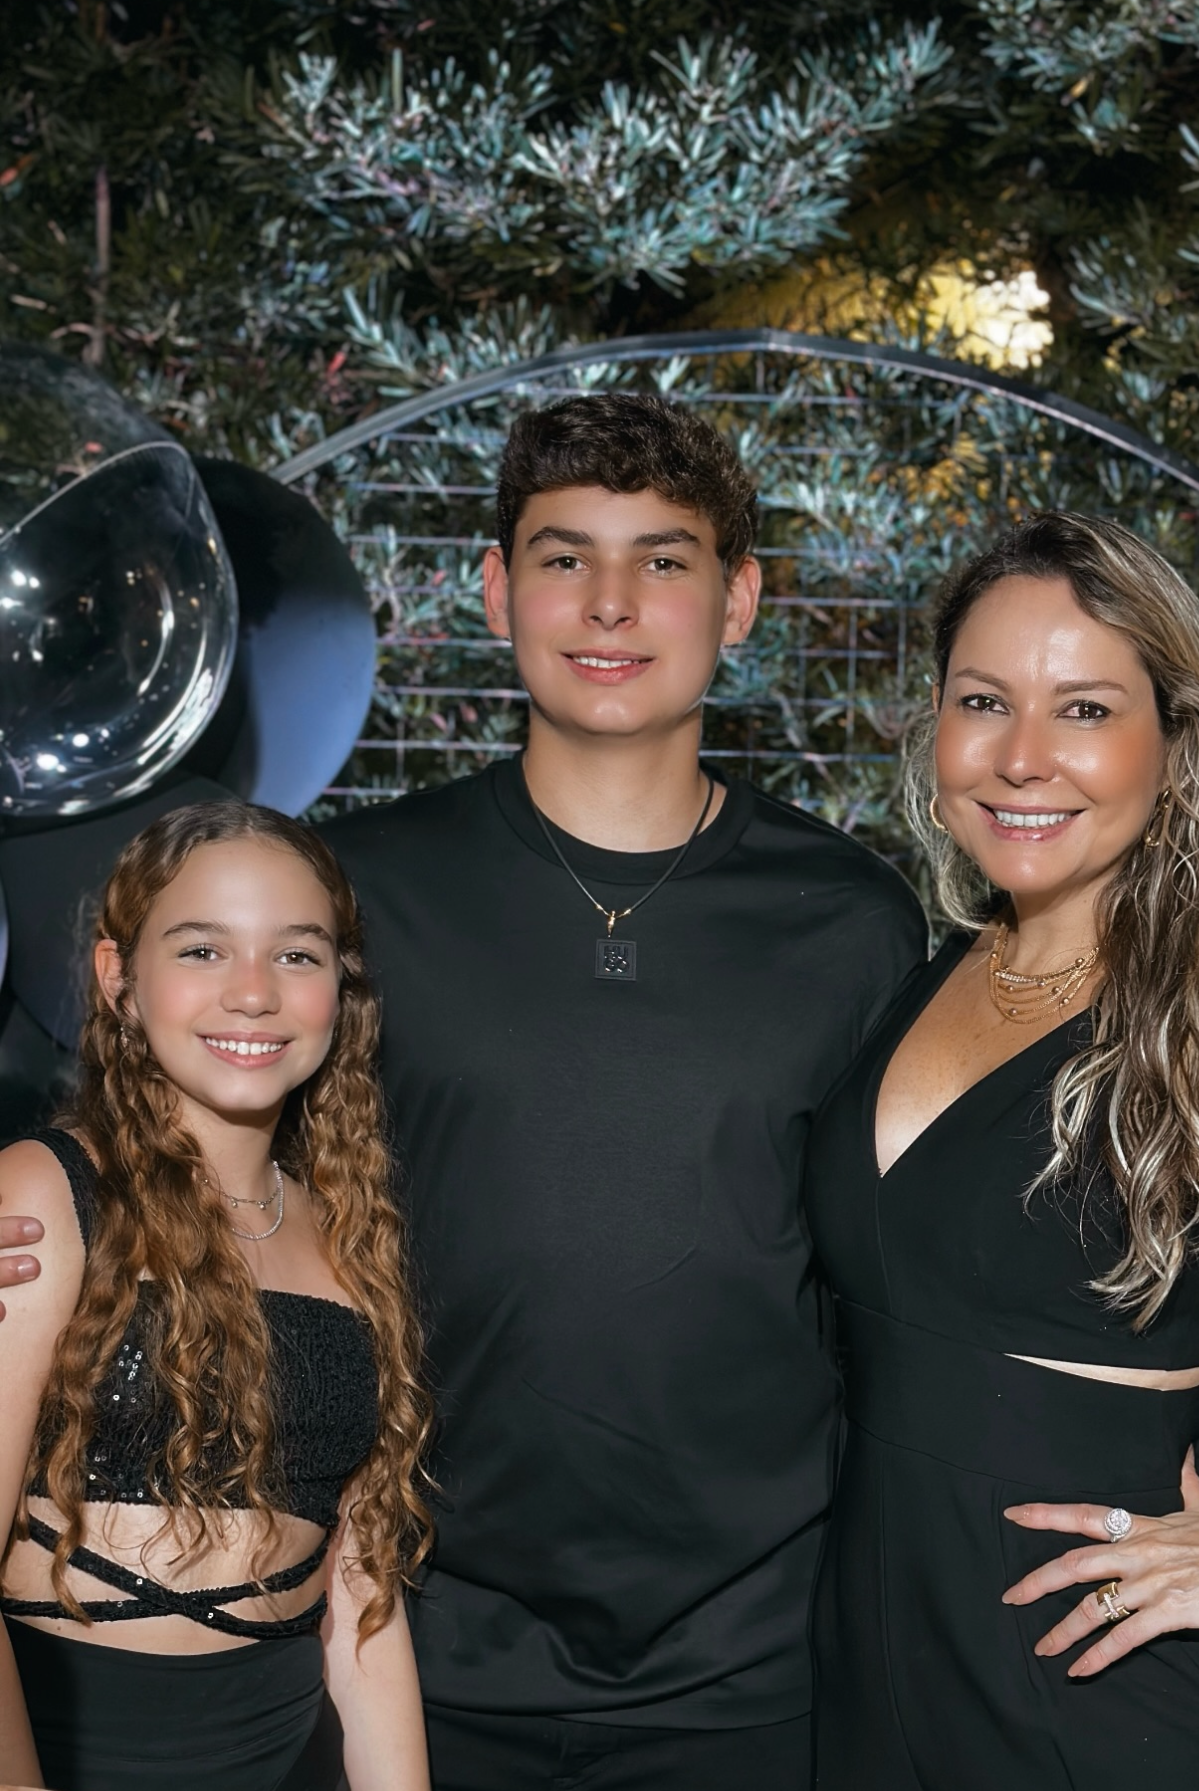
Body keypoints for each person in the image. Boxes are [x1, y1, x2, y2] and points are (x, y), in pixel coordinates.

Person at [314, 395, 926, 1789]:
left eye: (662, 559)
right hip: (412, 1634)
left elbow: (914, 1271)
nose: (609, 602)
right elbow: (216, 1166)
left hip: (754, 1658)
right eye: (563, 556)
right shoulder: (358, 893)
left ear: (739, 600)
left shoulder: (852, 921)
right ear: (496, 591)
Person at [803, 510, 1199, 1790]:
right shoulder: (932, 976)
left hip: (1109, 1689)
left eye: (1083, 710)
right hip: (873, 1658)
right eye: (983, 702)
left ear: (1175, 741)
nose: (1022, 758)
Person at [0, 801, 434, 1791]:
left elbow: (360, 1589)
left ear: (342, 988)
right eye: (202, 949)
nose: (252, 993)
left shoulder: (346, 1233)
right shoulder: (42, 1198)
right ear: (119, 979)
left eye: (297, 954)